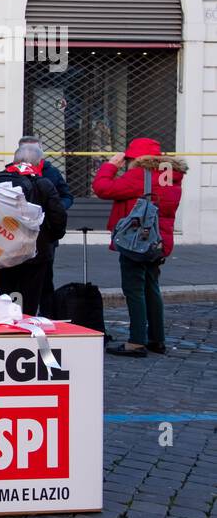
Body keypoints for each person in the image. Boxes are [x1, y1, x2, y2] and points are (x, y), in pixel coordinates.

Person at [92, 137, 187, 357]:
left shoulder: (140, 175)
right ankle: (157, 339)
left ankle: (136, 341)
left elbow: (103, 188)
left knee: (134, 289)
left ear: (136, 158)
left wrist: (110, 166)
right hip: (159, 240)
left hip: (137, 241)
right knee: (151, 288)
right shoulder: (171, 176)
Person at [0, 142, 67, 315]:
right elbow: (58, 216)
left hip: (4, 247)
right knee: (30, 295)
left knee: (5, 291)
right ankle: (25, 329)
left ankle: (5, 324)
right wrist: (52, 237)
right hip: (36, 250)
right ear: (38, 162)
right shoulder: (44, 183)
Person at [16, 135, 74, 316]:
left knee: (44, 280)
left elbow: (67, 196)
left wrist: (56, 208)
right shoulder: (11, 174)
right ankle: (17, 315)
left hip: (44, 235)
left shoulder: (51, 173)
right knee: (15, 280)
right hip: (17, 235)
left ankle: (46, 316)